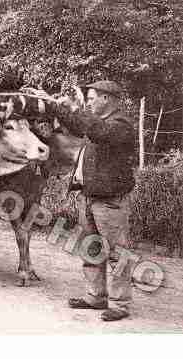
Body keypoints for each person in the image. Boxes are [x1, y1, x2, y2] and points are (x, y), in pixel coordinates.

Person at [54, 80, 136, 322]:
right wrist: (58, 107)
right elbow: (80, 126)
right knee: (91, 249)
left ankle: (120, 304)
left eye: (91, 98)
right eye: (87, 99)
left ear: (106, 99)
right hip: (89, 197)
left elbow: (97, 131)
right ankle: (95, 296)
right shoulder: (96, 124)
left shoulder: (121, 126)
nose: (88, 102)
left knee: (118, 254)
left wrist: (74, 108)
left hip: (110, 202)